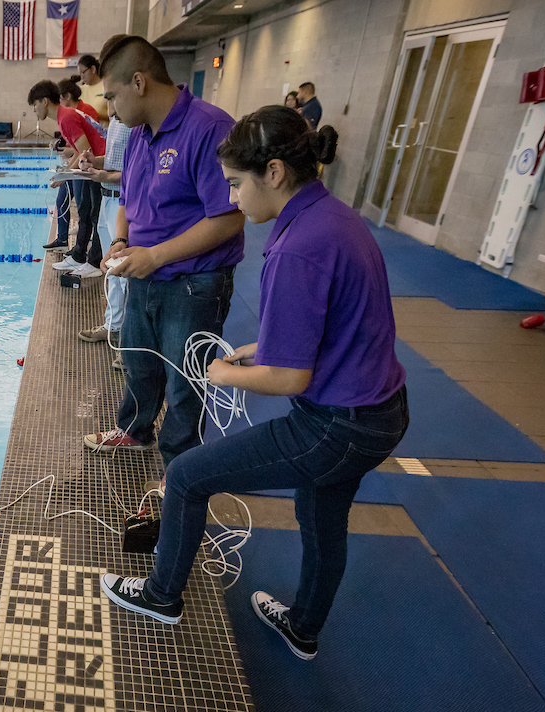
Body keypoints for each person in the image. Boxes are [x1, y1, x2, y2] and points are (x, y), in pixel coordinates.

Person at [100, 106, 409, 663]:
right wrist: (259, 348)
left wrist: (221, 372)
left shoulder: (295, 247)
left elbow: (292, 377)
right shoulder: (333, 218)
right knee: (322, 521)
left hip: (336, 424)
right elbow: (338, 323)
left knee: (190, 475)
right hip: (381, 410)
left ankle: (160, 596)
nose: (233, 199)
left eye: (237, 185)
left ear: (273, 172)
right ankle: (303, 628)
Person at [84, 35, 244, 464]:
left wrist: (154, 255)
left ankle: (180, 465)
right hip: (145, 275)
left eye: (112, 96)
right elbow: (128, 200)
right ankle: (134, 431)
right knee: (139, 363)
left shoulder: (210, 129)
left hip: (194, 283)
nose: (110, 109)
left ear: (139, 83)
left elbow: (230, 217)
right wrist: (121, 241)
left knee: (184, 381)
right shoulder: (138, 134)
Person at [29, 79, 107, 279]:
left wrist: (64, 175)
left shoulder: (66, 117)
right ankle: (80, 256)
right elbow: (78, 151)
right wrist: (64, 172)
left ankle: (95, 262)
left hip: (102, 165)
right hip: (93, 165)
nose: (34, 110)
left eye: (35, 105)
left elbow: (85, 149)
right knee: (85, 211)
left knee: (94, 215)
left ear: (45, 101)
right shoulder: (64, 116)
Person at [76, 106, 131, 370]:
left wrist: (104, 175)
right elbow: (114, 162)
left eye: (112, 97)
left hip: (124, 203)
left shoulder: (136, 123)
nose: (108, 107)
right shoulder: (117, 120)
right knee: (112, 272)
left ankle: (129, 344)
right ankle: (113, 327)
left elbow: (138, 175)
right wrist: (93, 162)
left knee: (125, 273)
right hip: (109, 200)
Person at [77, 54, 109, 127]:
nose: (82, 77)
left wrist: (96, 115)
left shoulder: (106, 87)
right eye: (80, 74)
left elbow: (116, 116)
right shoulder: (80, 90)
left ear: (93, 69)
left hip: (104, 133)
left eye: (83, 72)